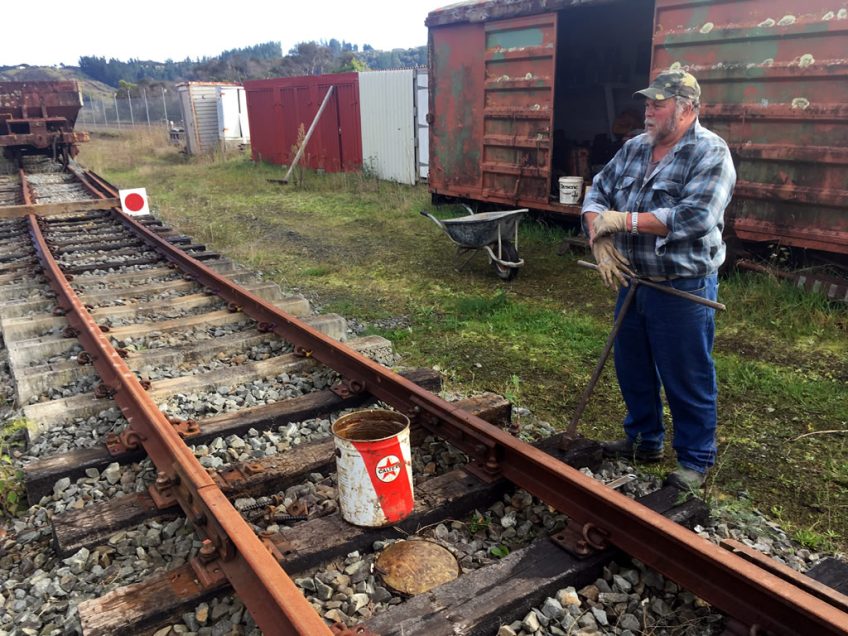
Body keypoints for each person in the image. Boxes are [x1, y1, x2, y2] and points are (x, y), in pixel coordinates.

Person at [580, 69, 736, 490]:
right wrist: (597, 231)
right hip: (632, 279)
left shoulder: (710, 153)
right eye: (647, 103)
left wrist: (623, 220)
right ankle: (644, 439)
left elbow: (695, 217)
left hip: (680, 287)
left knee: (686, 374)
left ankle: (695, 460)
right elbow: (597, 191)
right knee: (631, 366)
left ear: (686, 109)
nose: (647, 112)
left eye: (657, 104)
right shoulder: (633, 148)